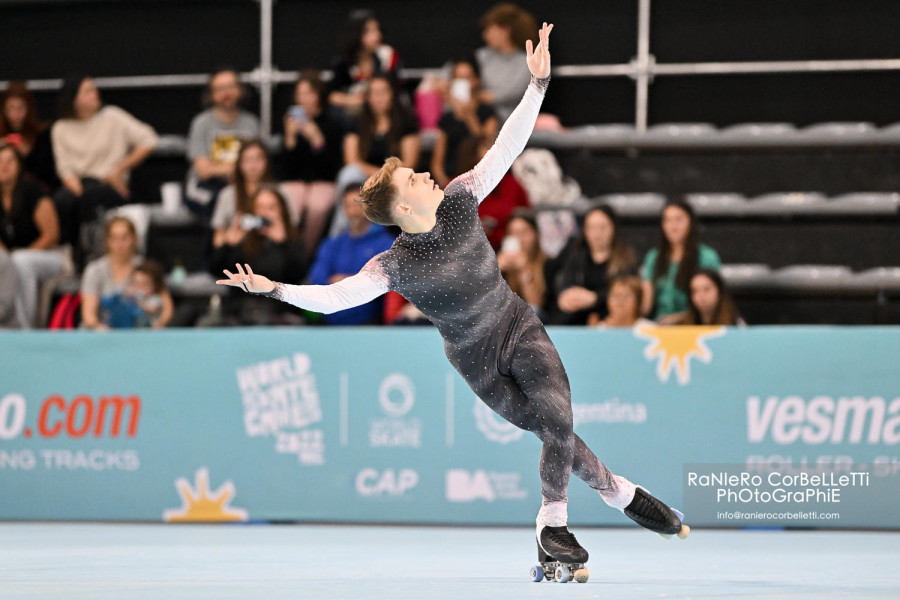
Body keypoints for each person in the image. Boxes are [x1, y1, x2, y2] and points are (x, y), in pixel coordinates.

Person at [218, 24, 688, 568]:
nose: (427, 177)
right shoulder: (390, 265)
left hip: (518, 326)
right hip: (476, 360)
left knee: (558, 419)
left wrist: (537, 86)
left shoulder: (463, 198)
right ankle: (618, 493)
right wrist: (273, 288)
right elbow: (334, 300)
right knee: (549, 429)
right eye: (418, 179)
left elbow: (506, 147)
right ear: (403, 209)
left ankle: (553, 524)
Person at [52, 75, 157, 262]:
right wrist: (77, 189)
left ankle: (90, 254)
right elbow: (64, 168)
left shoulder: (113, 116)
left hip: (110, 183)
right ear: (74, 99)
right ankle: (68, 252)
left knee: (90, 198)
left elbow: (148, 139)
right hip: (79, 185)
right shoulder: (61, 128)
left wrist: (119, 169)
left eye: (94, 89)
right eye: (88, 91)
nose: (95, 94)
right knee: (62, 201)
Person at [329, 75, 419, 236]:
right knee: (348, 175)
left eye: (384, 92)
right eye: (374, 93)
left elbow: (409, 163)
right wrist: (378, 175)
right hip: (365, 179)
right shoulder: (356, 121)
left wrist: (385, 176)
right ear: (367, 97)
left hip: (395, 179)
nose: (379, 98)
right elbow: (351, 160)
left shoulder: (406, 122)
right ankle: (338, 237)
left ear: (392, 94)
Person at [211, 186, 306, 325]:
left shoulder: (292, 239)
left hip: (279, 312)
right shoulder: (243, 239)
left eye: (271, 208)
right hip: (241, 312)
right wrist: (228, 245)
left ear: (282, 210)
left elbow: (300, 276)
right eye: (259, 207)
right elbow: (215, 271)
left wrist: (283, 243)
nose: (264, 213)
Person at [307, 184, 395, 325]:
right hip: (330, 322)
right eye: (349, 205)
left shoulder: (386, 244)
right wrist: (358, 281)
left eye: (358, 205)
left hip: (371, 323)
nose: (354, 211)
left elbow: (384, 284)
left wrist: (342, 281)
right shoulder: (333, 243)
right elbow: (317, 278)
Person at [0, 143, 65, 328]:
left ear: (19, 165)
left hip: (50, 255)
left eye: (10, 161)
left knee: (21, 261)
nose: (4, 166)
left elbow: (51, 235)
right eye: (0, 161)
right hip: (14, 257)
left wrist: (14, 259)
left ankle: (25, 328)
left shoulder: (32, 190)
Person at [281, 70, 345, 254]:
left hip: (324, 182)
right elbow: (287, 171)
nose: (303, 99)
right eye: (300, 94)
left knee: (317, 206)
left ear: (318, 96)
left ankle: (304, 255)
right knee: (291, 201)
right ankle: (287, 252)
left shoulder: (332, 123)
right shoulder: (289, 122)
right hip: (297, 182)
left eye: (309, 94)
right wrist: (290, 138)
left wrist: (317, 140)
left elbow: (332, 169)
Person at [185, 69, 260, 216]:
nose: (226, 93)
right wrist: (238, 169)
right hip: (205, 186)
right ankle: (221, 239)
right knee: (223, 202)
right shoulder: (201, 123)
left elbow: (258, 164)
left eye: (231, 87)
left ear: (240, 90)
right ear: (211, 94)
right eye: (220, 89)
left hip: (242, 183)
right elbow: (204, 171)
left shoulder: (251, 123)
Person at [553, 205, 637, 325]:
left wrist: (595, 298)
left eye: (602, 228)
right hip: (578, 319)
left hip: (612, 319)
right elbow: (566, 285)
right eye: (591, 228)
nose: (597, 234)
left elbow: (629, 291)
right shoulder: (576, 257)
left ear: (613, 228)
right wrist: (565, 296)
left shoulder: (625, 259)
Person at [641, 198, 721, 324]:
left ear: (691, 222)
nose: (673, 226)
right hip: (659, 325)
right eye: (667, 220)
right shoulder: (653, 257)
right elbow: (646, 304)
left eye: (678, 219)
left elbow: (713, 301)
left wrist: (678, 318)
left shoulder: (707, 257)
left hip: (694, 324)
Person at [431, 59, 499, 187]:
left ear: (476, 80)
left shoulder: (488, 113)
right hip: (452, 181)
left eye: (467, 77)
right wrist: (447, 185)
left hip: (481, 180)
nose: (463, 82)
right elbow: (437, 163)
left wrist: (469, 115)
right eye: (458, 78)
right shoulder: (447, 119)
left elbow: (485, 145)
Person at [457, 134, 529, 249]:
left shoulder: (511, 183)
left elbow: (527, 217)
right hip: (467, 250)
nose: (495, 152)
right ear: (472, 155)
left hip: (508, 247)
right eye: (487, 147)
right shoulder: (456, 187)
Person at [328, 10, 402, 116]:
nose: (377, 36)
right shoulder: (344, 61)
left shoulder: (387, 55)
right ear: (357, 34)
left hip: (384, 108)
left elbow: (395, 89)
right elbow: (332, 94)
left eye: (377, 30)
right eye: (370, 31)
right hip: (356, 111)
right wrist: (350, 100)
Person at [212, 140, 280, 249]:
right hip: (237, 253)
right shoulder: (227, 194)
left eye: (258, 159)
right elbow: (217, 240)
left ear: (267, 161)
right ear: (239, 164)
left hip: (272, 252)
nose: (253, 165)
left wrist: (277, 229)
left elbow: (292, 233)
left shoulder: (279, 192)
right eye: (247, 160)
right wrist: (229, 238)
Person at [476, 3, 536, 123]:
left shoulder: (526, 62)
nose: (485, 35)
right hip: (478, 114)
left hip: (509, 119)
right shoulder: (482, 55)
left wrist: (478, 96)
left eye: (489, 29)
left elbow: (510, 94)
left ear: (505, 30)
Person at [80, 216, 142, 330]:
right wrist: (104, 331)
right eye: (114, 238)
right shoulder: (95, 270)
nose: (120, 244)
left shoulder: (144, 268)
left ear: (134, 238)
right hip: (100, 334)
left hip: (135, 334)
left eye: (124, 238)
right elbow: (88, 316)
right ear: (107, 241)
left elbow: (161, 301)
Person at [0, 81, 56, 190]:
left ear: (29, 108)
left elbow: (48, 175)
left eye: (20, 108)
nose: (15, 114)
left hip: (32, 191)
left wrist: (29, 154)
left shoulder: (42, 135)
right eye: (10, 108)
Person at [496, 208, 547, 320]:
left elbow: (536, 307)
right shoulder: (498, 261)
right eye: (513, 233)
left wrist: (523, 270)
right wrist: (495, 270)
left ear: (535, 234)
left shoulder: (547, 263)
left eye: (524, 233)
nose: (519, 239)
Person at [100, 260, 173, 329]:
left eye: (144, 284)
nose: (139, 288)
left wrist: (140, 303)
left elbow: (151, 310)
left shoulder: (154, 298)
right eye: (136, 284)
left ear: (154, 286)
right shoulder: (131, 298)